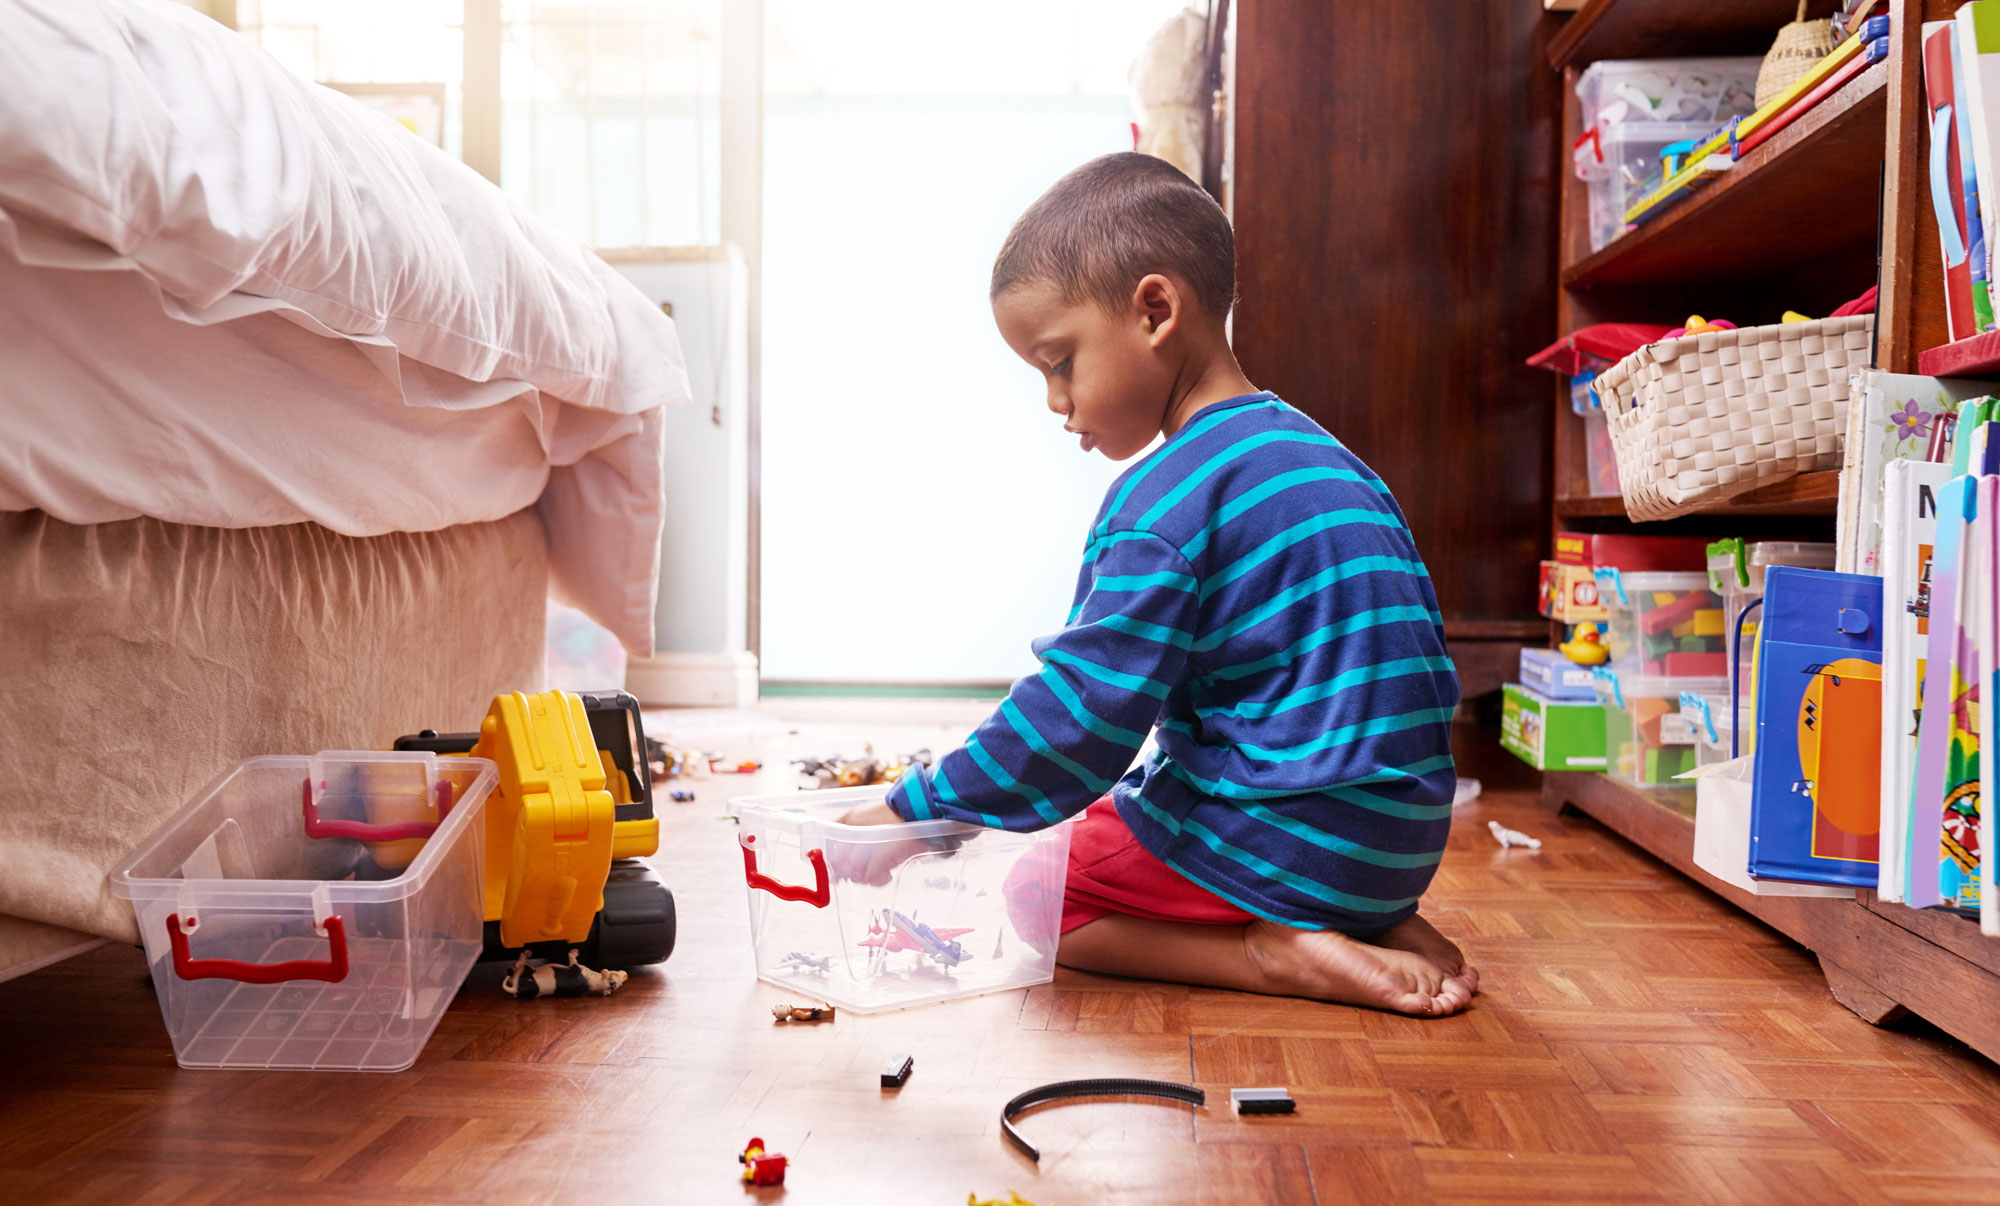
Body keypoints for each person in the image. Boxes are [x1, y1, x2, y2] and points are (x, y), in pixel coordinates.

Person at [840, 153, 1473, 1017]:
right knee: (1145, 806)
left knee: (1040, 893)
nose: (1056, 401)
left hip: (1285, 844)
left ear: (1154, 310)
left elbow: (1082, 720)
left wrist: (921, 815)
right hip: (1398, 842)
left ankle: (1271, 951)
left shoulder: (1163, 500)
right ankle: (1369, 922)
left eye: (1059, 362)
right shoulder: (1335, 461)